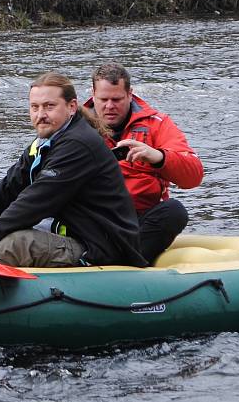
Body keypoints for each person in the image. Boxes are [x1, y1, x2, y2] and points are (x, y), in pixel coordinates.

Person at [0, 72, 146, 269]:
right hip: (71, 233)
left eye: (49, 106)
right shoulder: (44, 142)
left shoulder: (78, 145)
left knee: (15, 244)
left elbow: (35, 200)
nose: (40, 115)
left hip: (99, 245)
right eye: (35, 107)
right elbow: (7, 187)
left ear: (71, 107)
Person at [84, 63, 204, 263]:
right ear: (92, 95)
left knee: (174, 211)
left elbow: (193, 176)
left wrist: (158, 157)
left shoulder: (157, 123)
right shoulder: (77, 126)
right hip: (93, 217)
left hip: (140, 218)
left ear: (130, 94)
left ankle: (118, 263)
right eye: (103, 100)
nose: (109, 106)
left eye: (117, 99)